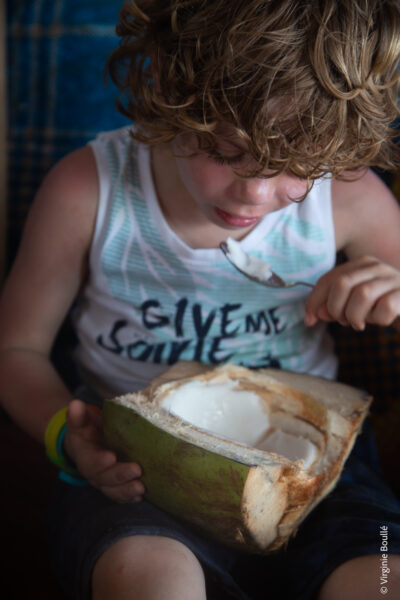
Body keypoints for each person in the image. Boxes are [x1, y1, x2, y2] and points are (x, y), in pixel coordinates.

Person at [1, 0, 400, 598]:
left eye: (297, 165)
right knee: (149, 580)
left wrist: (390, 290)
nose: (254, 194)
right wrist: (67, 434)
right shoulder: (88, 189)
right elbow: (17, 348)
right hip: (138, 472)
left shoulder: (349, 197)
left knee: (385, 573)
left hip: (318, 467)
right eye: (225, 151)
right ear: (169, 92)